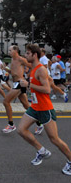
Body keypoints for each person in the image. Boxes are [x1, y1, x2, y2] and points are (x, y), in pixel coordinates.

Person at [17, 44, 71, 175]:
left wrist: (29, 84)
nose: (26, 55)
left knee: (54, 139)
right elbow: (48, 81)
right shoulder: (34, 69)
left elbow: (47, 90)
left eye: (28, 53)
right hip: (35, 107)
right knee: (21, 130)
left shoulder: (40, 69)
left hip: (45, 109)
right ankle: (41, 151)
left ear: (34, 55)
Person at [2, 45, 32, 133]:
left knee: (6, 101)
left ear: (16, 51)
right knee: (26, 105)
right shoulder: (12, 60)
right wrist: (5, 69)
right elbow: (13, 72)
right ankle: (39, 122)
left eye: (10, 50)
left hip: (20, 83)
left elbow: (32, 66)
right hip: (15, 83)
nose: (9, 52)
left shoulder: (21, 59)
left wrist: (28, 79)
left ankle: (11, 125)